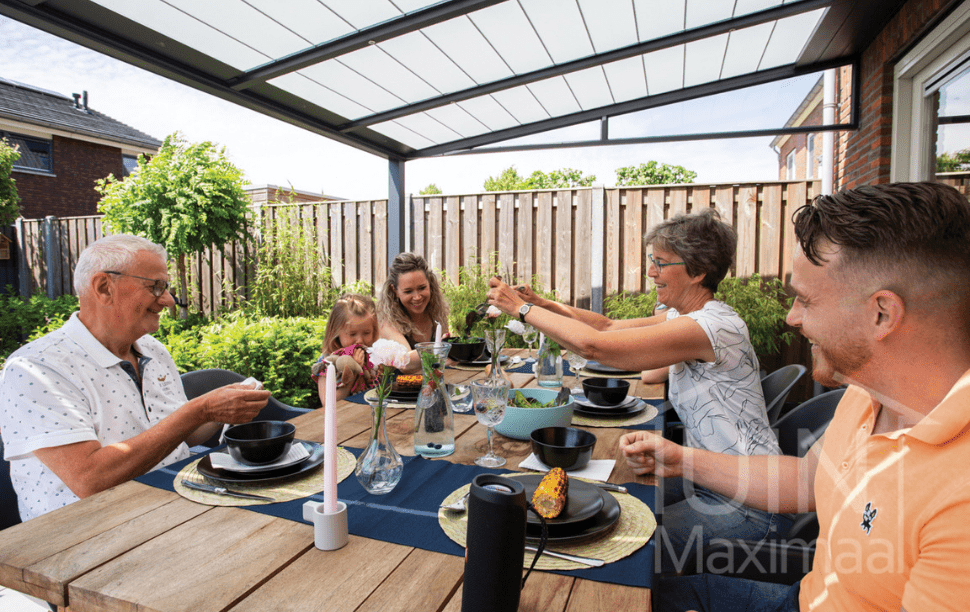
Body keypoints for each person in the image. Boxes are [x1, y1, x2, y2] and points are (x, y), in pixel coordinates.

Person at [622, 182, 970, 611]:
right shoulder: (869, 395)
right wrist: (680, 459)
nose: (792, 318)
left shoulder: (961, 497)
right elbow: (807, 481)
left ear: (882, 313)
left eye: (805, 300)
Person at [488, 208, 788, 573]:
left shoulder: (712, 326)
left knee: (620, 546)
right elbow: (610, 327)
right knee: (614, 492)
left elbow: (595, 346)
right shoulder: (687, 317)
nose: (650, 272)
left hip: (753, 503)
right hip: (713, 480)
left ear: (697, 272)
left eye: (660, 263)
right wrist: (543, 305)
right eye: (651, 260)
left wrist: (520, 310)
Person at [0, 234, 270, 521]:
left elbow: (180, 436)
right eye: (156, 287)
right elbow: (90, 480)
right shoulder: (37, 368)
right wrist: (198, 410)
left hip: (176, 508)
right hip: (88, 539)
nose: (167, 301)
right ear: (104, 287)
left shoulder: (152, 349)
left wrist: (220, 410)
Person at [378, 252, 449, 373]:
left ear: (430, 284)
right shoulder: (387, 322)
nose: (417, 297)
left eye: (422, 288)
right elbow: (405, 363)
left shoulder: (436, 314)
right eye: (408, 291)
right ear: (394, 290)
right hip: (396, 389)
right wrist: (440, 349)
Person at [311, 294, 380, 402]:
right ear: (335, 332)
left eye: (367, 333)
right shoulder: (328, 362)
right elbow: (328, 403)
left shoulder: (375, 358)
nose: (360, 340)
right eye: (352, 334)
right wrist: (353, 371)